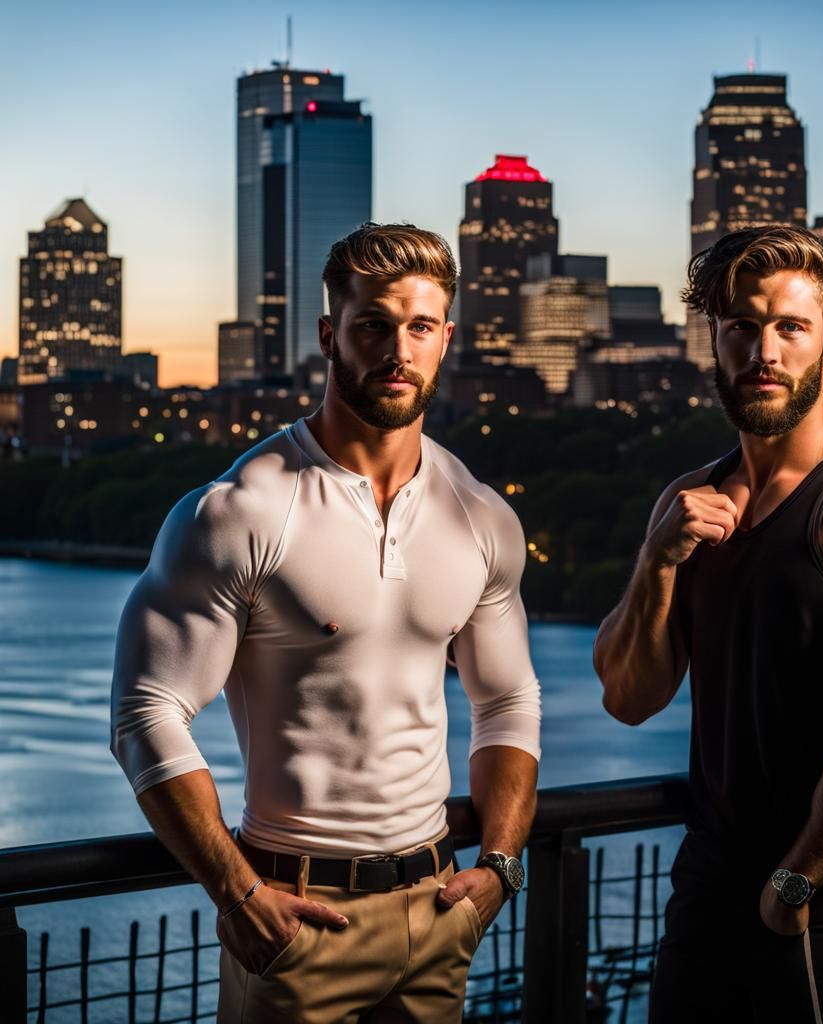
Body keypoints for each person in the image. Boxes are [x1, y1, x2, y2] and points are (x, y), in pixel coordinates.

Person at [110, 223, 541, 1023]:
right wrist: (237, 894)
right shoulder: (241, 511)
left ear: (447, 338)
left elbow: (508, 701)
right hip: (295, 920)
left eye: (419, 329)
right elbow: (145, 714)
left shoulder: (479, 514)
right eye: (373, 324)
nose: (398, 351)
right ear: (329, 334)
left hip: (441, 912)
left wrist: (502, 867)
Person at [593, 225, 823, 1022]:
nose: (764, 349)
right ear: (714, 342)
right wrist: (657, 560)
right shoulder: (690, 501)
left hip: (812, 900)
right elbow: (628, 696)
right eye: (742, 327)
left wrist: (796, 880)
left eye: (789, 328)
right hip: (701, 890)